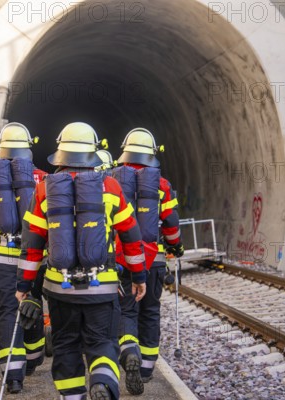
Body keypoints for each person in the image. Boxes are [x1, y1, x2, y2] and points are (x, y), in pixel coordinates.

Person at [15, 122, 147, 400]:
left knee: (65, 346)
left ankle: (73, 396)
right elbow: (132, 236)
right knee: (103, 343)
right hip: (102, 287)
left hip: (59, 289)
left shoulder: (44, 191)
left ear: (60, 153)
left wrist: (25, 287)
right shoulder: (110, 187)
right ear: (93, 153)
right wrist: (139, 277)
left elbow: (32, 245)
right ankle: (100, 381)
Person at [0, 122, 46, 394]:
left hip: (2, 259)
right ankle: (32, 359)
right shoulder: (43, 179)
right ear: (29, 148)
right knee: (33, 306)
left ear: (1, 149)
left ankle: (13, 375)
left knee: (6, 311)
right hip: (35, 259)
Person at [114, 128, 183, 390]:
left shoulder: (112, 181)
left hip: (123, 261)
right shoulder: (162, 185)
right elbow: (171, 224)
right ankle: (145, 369)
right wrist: (176, 247)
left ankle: (129, 349)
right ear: (152, 154)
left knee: (128, 309)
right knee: (151, 312)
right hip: (153, 261)